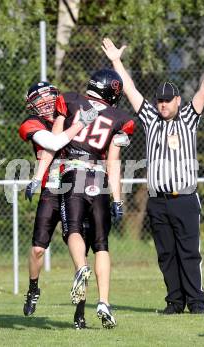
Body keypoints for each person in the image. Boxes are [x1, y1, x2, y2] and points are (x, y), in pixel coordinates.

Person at [102, 37, 204, 314]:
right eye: (160, 101)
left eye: (168, 101)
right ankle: (174, 302)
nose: (163, 105)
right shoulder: (150, 119)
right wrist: (115, 61)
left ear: (178, 100)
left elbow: (203, 93)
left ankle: (196, 302)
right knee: (166, 254)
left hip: (184, 198)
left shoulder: (189, 118)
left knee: (189, 253)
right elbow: (130, 90)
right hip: (157, 200)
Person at [56, 69, 135, 328]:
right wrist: (117, 199)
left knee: (74, 230)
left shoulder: (69, 100)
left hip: (73, 171)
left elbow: (55, 141)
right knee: (102, 244)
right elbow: (113, 161)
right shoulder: (120, 118)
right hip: (99, 176)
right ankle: (103, 301)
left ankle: (81, 268)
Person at [19, 81, 99, 323]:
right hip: (52, 187)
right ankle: (33, 288)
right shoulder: (31, 124)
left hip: (78, 183)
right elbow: (53, 144)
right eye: (39, 103)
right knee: (38, 249)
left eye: (48, 100)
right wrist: (80, 122)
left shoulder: (70, 113)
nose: (45, 107)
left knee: (80, 250)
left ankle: (80, 312)